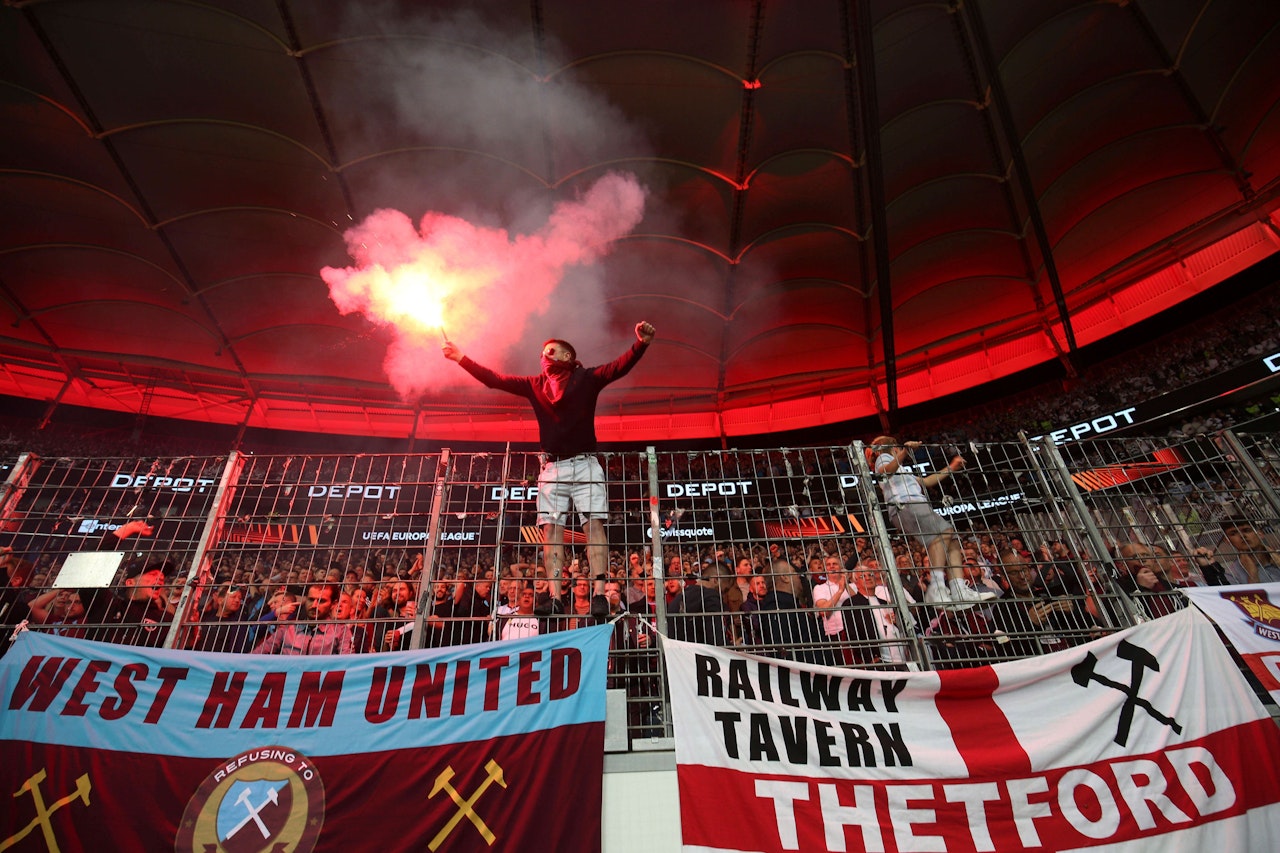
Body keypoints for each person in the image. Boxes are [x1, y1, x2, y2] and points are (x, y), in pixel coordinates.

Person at [443, 322, 656, 588]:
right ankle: (554, 596)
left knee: (593, 526)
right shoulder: (535, 384)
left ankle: (600, 592)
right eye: (543, 353)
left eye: (551, 351)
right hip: (553, 467)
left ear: (567, 357)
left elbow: (617, 367)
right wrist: (461, 358)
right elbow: (494, 380)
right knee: (551, 531)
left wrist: (640, 344)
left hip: (586, 463)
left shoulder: (587, 379)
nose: (544, 357)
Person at [868, 436, 994, 607]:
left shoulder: (903, 470)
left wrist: (950, 468)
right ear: (893, 448)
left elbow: (926, 481)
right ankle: (937, 589)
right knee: (944, 533)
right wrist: (906, 451)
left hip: (913, 506)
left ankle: (958, 591)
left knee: (952, 542)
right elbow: (885, 471)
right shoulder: (884, 458)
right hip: (906, 504)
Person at [252, 583, 355, 655]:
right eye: (311, 600)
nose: (314, 605)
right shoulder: (289, 628)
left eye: (321, 601)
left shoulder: (341, 631)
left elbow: (347, 663)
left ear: (333, 604)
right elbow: (257, 654)